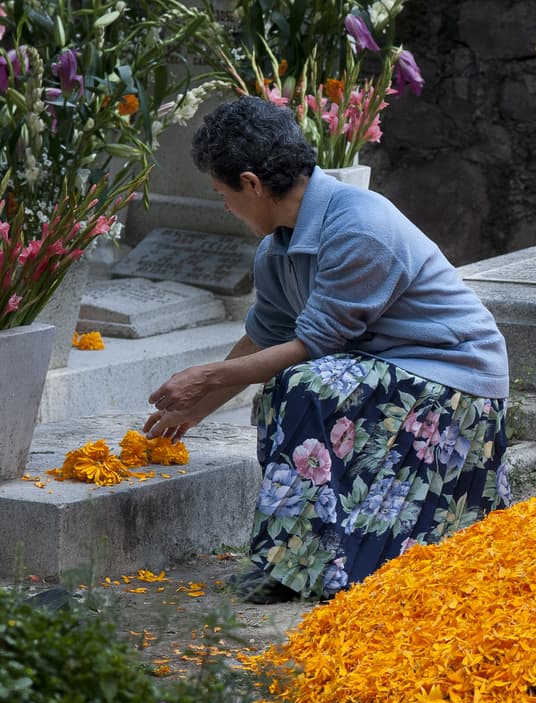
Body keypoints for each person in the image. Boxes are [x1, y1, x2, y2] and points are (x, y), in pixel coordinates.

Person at [145, 96, 511, 603]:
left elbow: (311, 346)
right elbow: (265, 334)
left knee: (304, 384)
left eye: (222, 194)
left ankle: (298, 566)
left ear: (251, 183)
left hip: (457, 385)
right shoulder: (277, 247)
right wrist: (192, 411)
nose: (225, 208)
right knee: (285, 387)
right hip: (388, 376)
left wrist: (205, 377)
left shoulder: (360, 225)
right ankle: (293, 561)